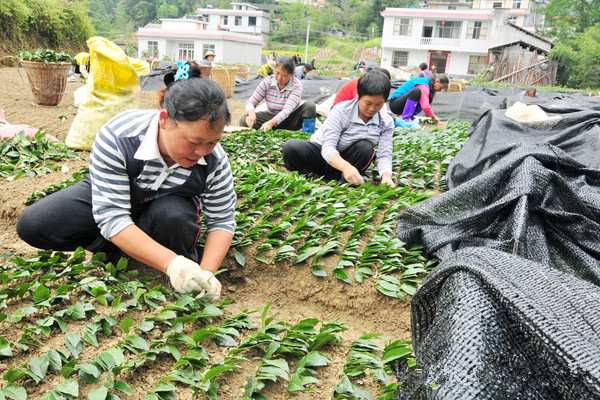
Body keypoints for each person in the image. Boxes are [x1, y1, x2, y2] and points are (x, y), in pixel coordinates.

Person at [17, 64, 236, 297]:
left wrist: (207, 273)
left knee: (173, 215)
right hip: (118, 198)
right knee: (35, 225)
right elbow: (112, 215)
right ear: (164, 120)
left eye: (211, 142)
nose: (202, 151)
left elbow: (222, 221)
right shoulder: (119, 136)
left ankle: (160, 259)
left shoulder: (214, 160)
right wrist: (173, 264)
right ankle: (114, 250)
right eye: (194, 142)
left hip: (166, 211)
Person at [282, 70, 395, 186]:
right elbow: (328, 148)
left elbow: (384, 154)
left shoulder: (385, 122)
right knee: (291, 147)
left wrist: (386, 177)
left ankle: (346, 182)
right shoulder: (341, 111)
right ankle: (306, 176)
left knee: (365, 148)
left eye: (378, 104)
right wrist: (346, 167)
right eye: (368, 103)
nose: (372, 108)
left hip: (349, 162)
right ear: (357, 95)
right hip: (322, 155)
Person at [239, 56, 316, 132]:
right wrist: (252, 114)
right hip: (270, 116)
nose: (279, 78)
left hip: (291, 119)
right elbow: (251, 102)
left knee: (310, 106)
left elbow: (287, 110)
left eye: (284, 76)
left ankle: (308, 135)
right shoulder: (267, 82)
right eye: (277, 73)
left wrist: (271, 123)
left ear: (292, 74)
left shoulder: (296, 85)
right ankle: (271, 128)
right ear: (274, 70)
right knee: (244, 120)